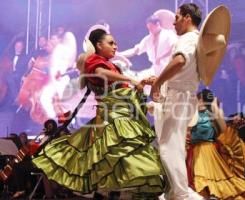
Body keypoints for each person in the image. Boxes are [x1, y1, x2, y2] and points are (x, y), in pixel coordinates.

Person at [32, 29, 164, 199]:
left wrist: (140, 85)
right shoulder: (94, 61)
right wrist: (131, 80)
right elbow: (101, 74)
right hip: (112, 121)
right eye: (111, 43)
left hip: (122, 119)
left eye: (115, 43)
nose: (115, 46)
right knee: (123, 162)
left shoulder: (112, 65)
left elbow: (121, 91)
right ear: (98, 45)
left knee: (125, 164)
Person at [150, 3, 204, 200]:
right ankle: (177, 192)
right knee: (174, 146)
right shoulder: (196, 39)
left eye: (177, 17)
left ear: (188, 17)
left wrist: (157, 83)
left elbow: (180, 60)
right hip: (182, 95)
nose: (173, 22)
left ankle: (181, 194)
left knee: (167, 147)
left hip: (179, 96)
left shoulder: (189, 38)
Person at [188, 89, 245, 199]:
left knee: (215, 181)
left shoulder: (213, 113)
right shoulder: (192, 113)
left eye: (203, 99)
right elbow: (186, 128)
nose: (201, 101)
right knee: (196, 180)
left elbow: (223, 129)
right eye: (199, 99)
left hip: (209, 151)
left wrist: (215, 108)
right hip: (194, 152)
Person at [119, 13, 177, 78]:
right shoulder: (148, 39)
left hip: (168, 68)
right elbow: (135, 51)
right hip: (155, 69)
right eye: (148, 28)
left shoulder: (169, 34)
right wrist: (119, 54)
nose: (150, 30)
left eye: (151, 27)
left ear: (158, 24)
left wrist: (161, 57)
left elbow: (174, 48)